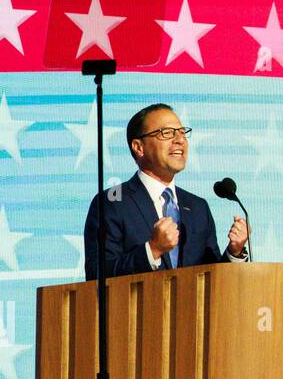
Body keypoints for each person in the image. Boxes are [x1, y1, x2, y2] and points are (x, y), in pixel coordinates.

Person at [83, 103, 249, 280]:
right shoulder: (112, 202)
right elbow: (97, 275)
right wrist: (152, 250)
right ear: (139, 147)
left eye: (182, 132)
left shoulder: (198, 207)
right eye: (167, 133)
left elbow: (212, 279)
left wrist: (235, 251)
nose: (180, 139)